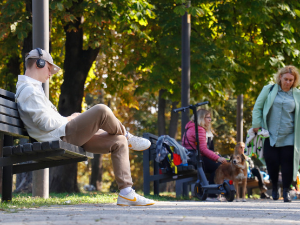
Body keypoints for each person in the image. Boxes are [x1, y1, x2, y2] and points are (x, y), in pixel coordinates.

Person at [15, 48, 155, 206]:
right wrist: (69, 119)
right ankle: (130, 136)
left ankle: (126, 193)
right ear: (39, 64)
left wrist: (70, 118)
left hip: (62, 134)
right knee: (101, 110)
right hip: (59, 137)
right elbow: (44, 123)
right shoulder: (29, 91)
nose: (50, 74)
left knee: (119, 141)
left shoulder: (33, 89)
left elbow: (45, 121)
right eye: (49, 68)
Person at [252, 65, 300, 202]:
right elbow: (258, 108)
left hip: (289, 135)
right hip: (269, 134)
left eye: (291, 80)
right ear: (280, 77)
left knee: (287, 163)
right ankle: (275, 185)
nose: (288, 82)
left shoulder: (297, 95)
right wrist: (256, 125)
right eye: (286, 79)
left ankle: (286, 191)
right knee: (271, 162)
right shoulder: (269, 90)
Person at [182, 109, 227, 185]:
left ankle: (210, 191)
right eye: (208, 117)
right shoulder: (199, 129)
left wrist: (213, 154)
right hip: (196, 160)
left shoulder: (190, 127)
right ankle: (212, 193)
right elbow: (203, 149)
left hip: (190, 157)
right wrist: (217, 158)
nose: (210, 120)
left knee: (216, 164)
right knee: (220, 167)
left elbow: (198, 148)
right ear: (201, 118)